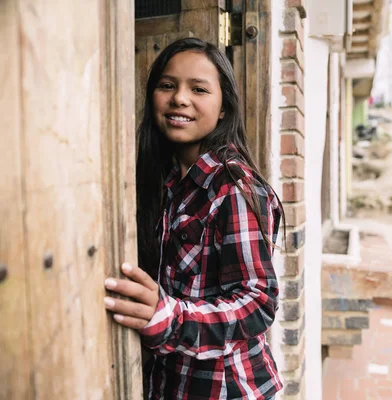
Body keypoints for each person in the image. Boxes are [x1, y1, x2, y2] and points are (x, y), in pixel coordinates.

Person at [103, 37, 283, 400]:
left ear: (223, 108)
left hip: (228, 390)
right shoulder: (171, 183)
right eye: (167, 85)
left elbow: (258, 301)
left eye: (198, 88)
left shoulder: (232, 187)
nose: (179, 98)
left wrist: (168, 318)